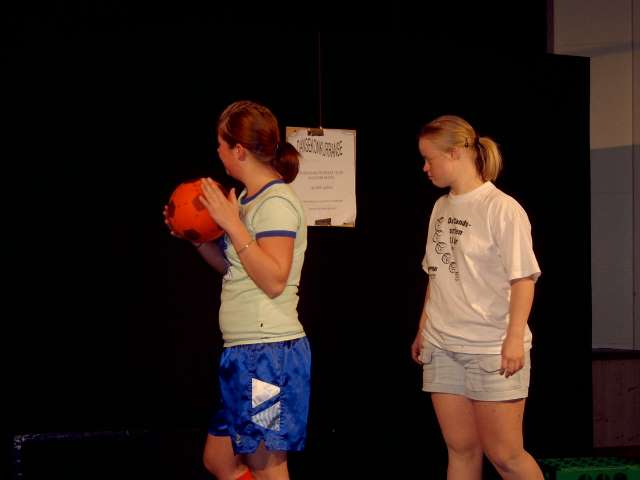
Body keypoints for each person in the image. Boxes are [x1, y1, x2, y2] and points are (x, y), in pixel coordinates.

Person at [164, 100, 310, 480]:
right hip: (244, 354)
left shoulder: (276, 203)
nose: (218, 152)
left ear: (239, 150)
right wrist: (198, 239)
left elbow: (273, 280)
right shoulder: (245, 199)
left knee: (268, 467)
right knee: (220, 460)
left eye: (221, 145)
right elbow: (237, 269)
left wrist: (232, 224)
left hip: (268, 357)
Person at [410, 115, 544, 480]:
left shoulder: (502, 208)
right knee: (461, 450)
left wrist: (513, 338)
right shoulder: (441, 207)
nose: (425, 167)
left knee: (506, 456)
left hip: (489, 349)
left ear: (454, 153)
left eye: (429, 158)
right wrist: (423, 327)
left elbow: (523, 279)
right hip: (443, 346)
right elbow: (436, 273)